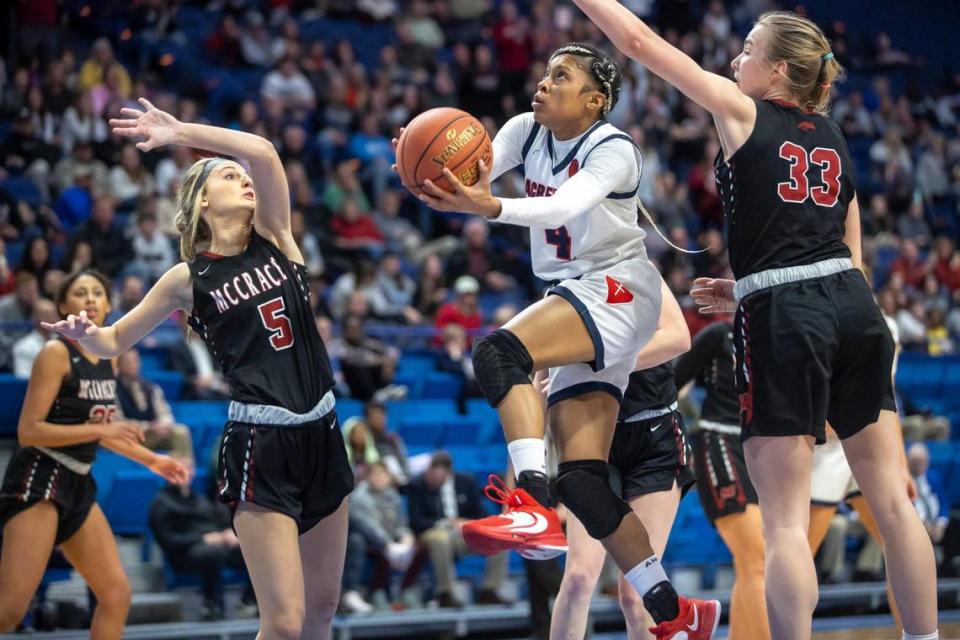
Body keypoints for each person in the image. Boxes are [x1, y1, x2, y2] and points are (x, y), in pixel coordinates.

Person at [572, 3, 939, 639]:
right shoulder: (835, 136)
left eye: (747, 49)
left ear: (775, 72)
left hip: (786, 319)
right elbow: (845, 260)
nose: (735, 58)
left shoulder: (741, 110)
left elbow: (634, 38)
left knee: (785, 525)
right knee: (894, 505)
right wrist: (751, 288)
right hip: (855, 310)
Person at [408, 42, 718, 638]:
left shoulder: (616, 149)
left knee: (499, 351)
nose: (542, 84)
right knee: (581, 478)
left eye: (561, 76)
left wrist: (490, 205)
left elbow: (564, 206)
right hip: (574, 291)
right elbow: (469, 178)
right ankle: (674, 612)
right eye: (544, 73)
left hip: (619, 287)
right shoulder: (525, 131)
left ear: (595, 100)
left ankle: (529, 503)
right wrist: (423, 169)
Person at [43, 98, 355, 640]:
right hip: (263, 443)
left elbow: (262, 150)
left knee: (322, 611)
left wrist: (180, 130)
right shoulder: (188, 279)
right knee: (283, 623)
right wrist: (88, 335)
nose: (247, 180)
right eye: (230, 177)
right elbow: (116, 338)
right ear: (204, 200)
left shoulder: (278, 238)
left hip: (323, 433)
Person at [0, 269, 187, 635]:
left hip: (78, 481)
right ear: (64, 305)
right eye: (80, 293)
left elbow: (102, 431)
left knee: (116, 594)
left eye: (97, 292)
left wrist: (153, 460)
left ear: (108, 304)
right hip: (40, 479)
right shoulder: (54, 354)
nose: (90, 299)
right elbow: (29, 431)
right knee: (9, 610)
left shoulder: (110, 356)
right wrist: (104, 428)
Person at [552, 295, 696, 640]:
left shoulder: (639, 270)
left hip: (655, 436)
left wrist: (602, 363)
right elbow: (544, 362)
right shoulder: (565, 282)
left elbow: (678, 338)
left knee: (637, 595)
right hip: (594, 436)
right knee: (578, 578)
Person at [674, 320, 769, 640]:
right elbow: (670, 383)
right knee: (757, 561)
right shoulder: (720, 334)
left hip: (760, 450)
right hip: (720, 442)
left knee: (751, 565)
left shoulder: (778, 332)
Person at [148, 453, 256, 621]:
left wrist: (230, 533)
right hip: (184, 553)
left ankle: (250, 602)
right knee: (212, 553)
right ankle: (212, 605)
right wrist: (202, 538)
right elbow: (168, 541)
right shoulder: (161, 503)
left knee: (254, 551)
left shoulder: (200, 499)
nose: (184, 472)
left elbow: (218, 523)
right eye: (177, 468)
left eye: (188, 468)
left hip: (216, 547)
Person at [406, 451, 508, 608]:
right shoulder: (417, 485)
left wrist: (466, 523)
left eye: (440, 476)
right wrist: (446, 522)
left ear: (448, 472)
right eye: (432, 475)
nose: (435, 480)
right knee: (441, 539)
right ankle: (445, 594)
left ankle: (489, 590)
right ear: (428, 471)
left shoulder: (466, 482)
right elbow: (416, 522)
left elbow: (481, 514)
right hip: (432, 531)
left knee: (497, 538)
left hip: (462, 534)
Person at [115, 349, 193, 458]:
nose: (132, 365)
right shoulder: (113, 389)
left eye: (135, 361)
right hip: (129, 436)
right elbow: (117, 421)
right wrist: (148, 427)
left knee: (180, 432)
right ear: (119, 364)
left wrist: (163, 425)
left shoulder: (150, 387)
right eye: (127, 362)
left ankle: (182, 470)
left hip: (151, 434)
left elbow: (165, 413)